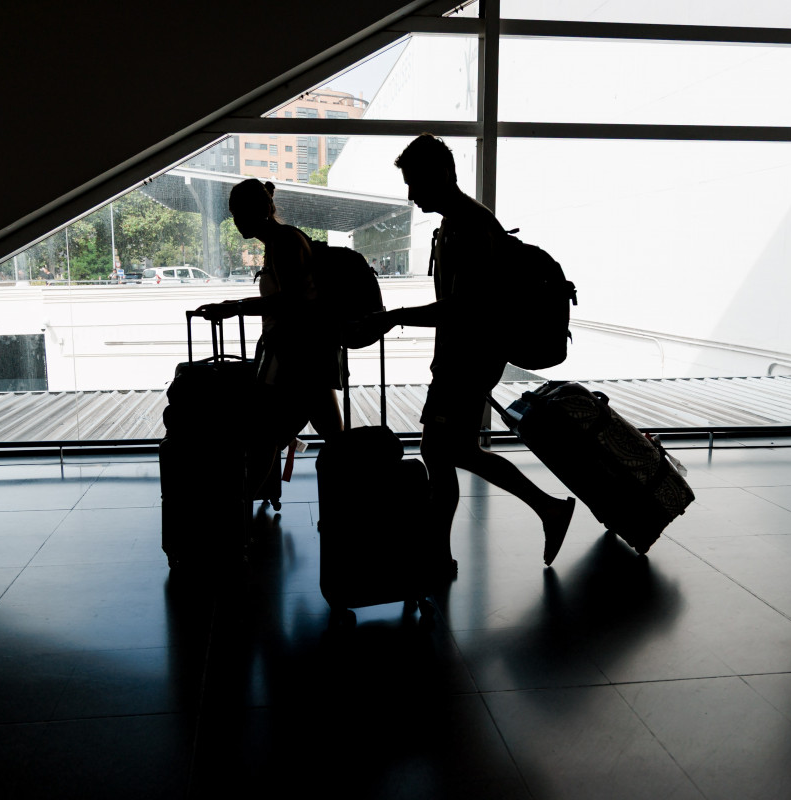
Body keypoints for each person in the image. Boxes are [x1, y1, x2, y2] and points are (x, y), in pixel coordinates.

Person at [359, 134, 576, 576]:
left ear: (442, 174)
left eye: (415, 182)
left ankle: (446, 554)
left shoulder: (472, 227)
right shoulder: (455, 224)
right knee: (450, 452)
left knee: (442, 451)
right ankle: (536, 514)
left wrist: (393, 317)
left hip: (469, 362)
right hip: (463, 360)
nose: (411, 194)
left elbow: (462, 309)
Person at [196, 178, 343, 501]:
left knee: (265, 439)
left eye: (240, 213)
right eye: (233, 214)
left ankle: (237, 517)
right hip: (307, 355)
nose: (236, 221)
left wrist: (236, 307)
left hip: (300, 358)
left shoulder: (284, 242)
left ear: (261, 210)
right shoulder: (278, 243)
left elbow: (290, 302)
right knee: (328, 438)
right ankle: (354, 507)